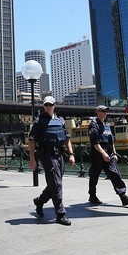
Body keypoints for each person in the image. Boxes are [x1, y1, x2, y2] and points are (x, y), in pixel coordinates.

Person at [29, 96, 75, 226]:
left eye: (50, 105)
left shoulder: (60, 120)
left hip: (59, 154)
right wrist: (32, 158)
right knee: (56, 183)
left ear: (54, 106)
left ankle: (39, 201)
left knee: (55, 183)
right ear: (44, 106)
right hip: (47, 155)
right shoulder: (39, 121)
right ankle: (60, 214)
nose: (48, 107)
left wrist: (71, 154)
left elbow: (67, 138)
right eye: (46, 105)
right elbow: (32, 140)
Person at [87, 105, 128, 206]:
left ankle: (123, 196)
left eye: (106, 111)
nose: (105, 113)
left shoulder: (107, 125)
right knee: (94, 176)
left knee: (115, 174)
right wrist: (103, 153)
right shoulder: (93, 125)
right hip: (98, 154)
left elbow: (111, 141)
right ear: (97, 112)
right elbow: (94, 142)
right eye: (103, 111)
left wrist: (114, 153)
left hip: (109, 154)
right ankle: (92, 196)